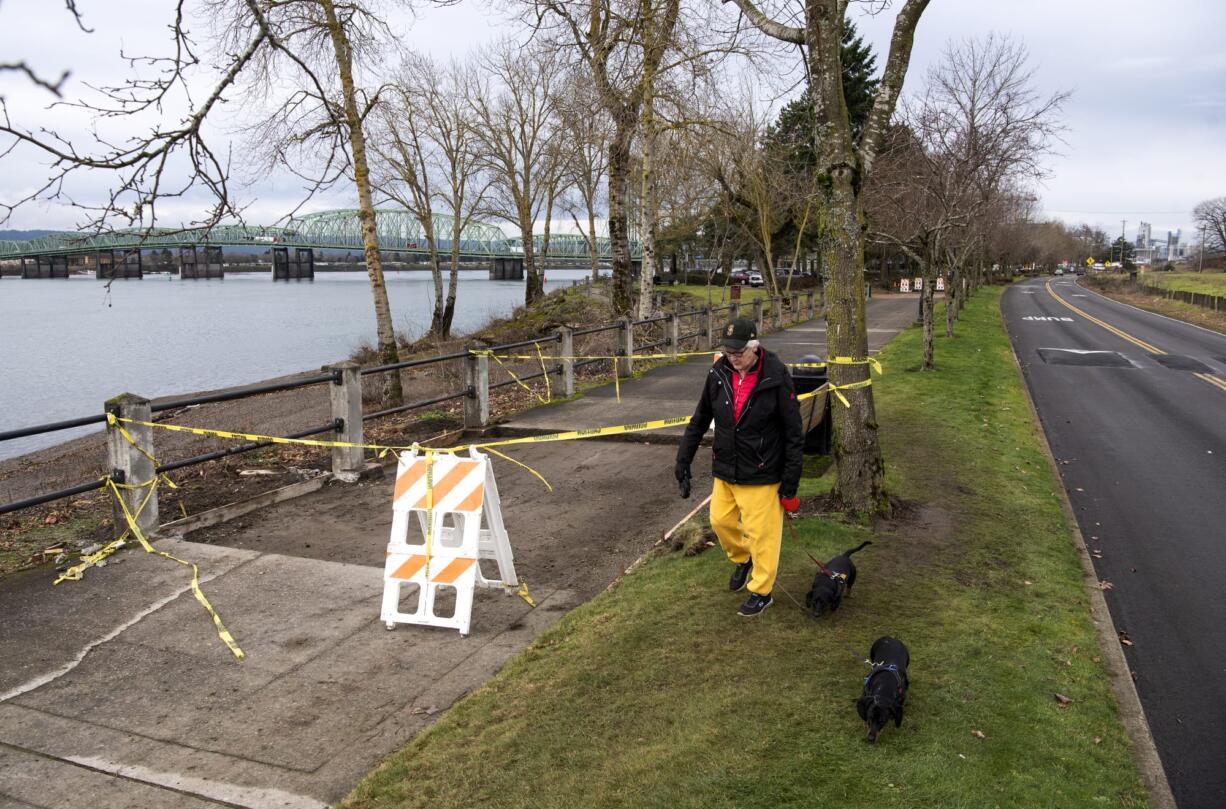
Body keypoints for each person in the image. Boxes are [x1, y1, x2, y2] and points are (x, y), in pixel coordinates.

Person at [675, 317, 804, 616]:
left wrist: (790, 483)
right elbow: (699, 419)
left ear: (753, 347)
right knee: (720, 522)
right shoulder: (718, 372)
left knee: (763, 536)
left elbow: (793, 433)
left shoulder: (776, 375)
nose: (732, 358)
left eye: (738, 352)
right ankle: (743, 558)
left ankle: (762, 590)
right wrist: (683, 460)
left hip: (762, 472)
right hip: (727, 467)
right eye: (728, 352)